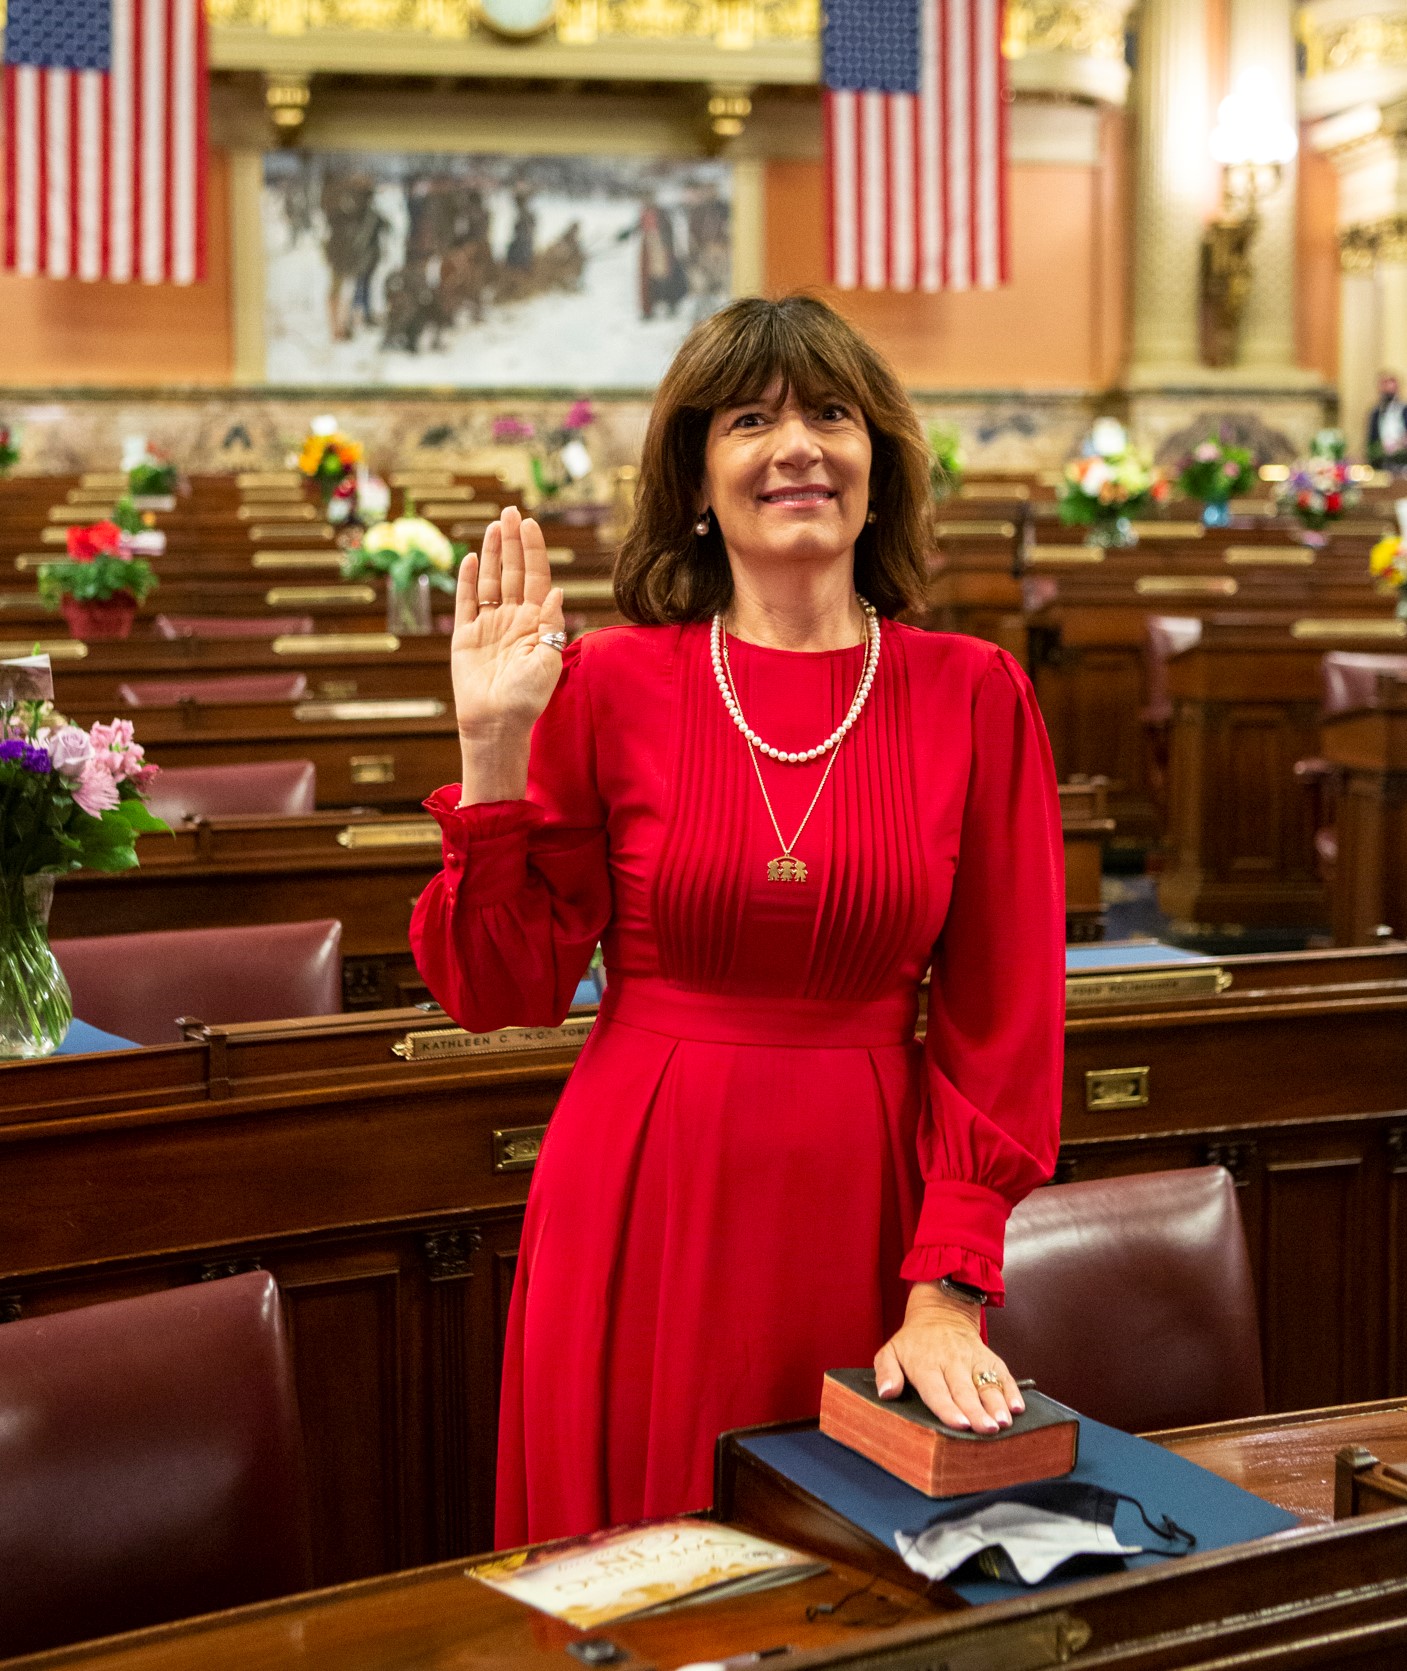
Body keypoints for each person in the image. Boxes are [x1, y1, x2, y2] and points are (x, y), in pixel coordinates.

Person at [410, 295, 1065, 1548]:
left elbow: (1005, 1026)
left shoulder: (975, 694)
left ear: (880, 465)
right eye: (751, 420)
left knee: (855, 1575)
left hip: (867, 1208)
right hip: (637, 1192)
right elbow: (500, 990)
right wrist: (492, 748)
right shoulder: (607, 683)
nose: (798, 446)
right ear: (699, 480)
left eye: (831, 414)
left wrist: (947, 1293)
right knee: (636, 1567)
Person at [1367, 371, 1407, 472]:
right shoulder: (1375, 413)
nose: (1388, 386)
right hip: (1382, 463)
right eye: (1384, 383)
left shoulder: (1404, 410)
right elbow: (1371, 441)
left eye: (1391, 382)